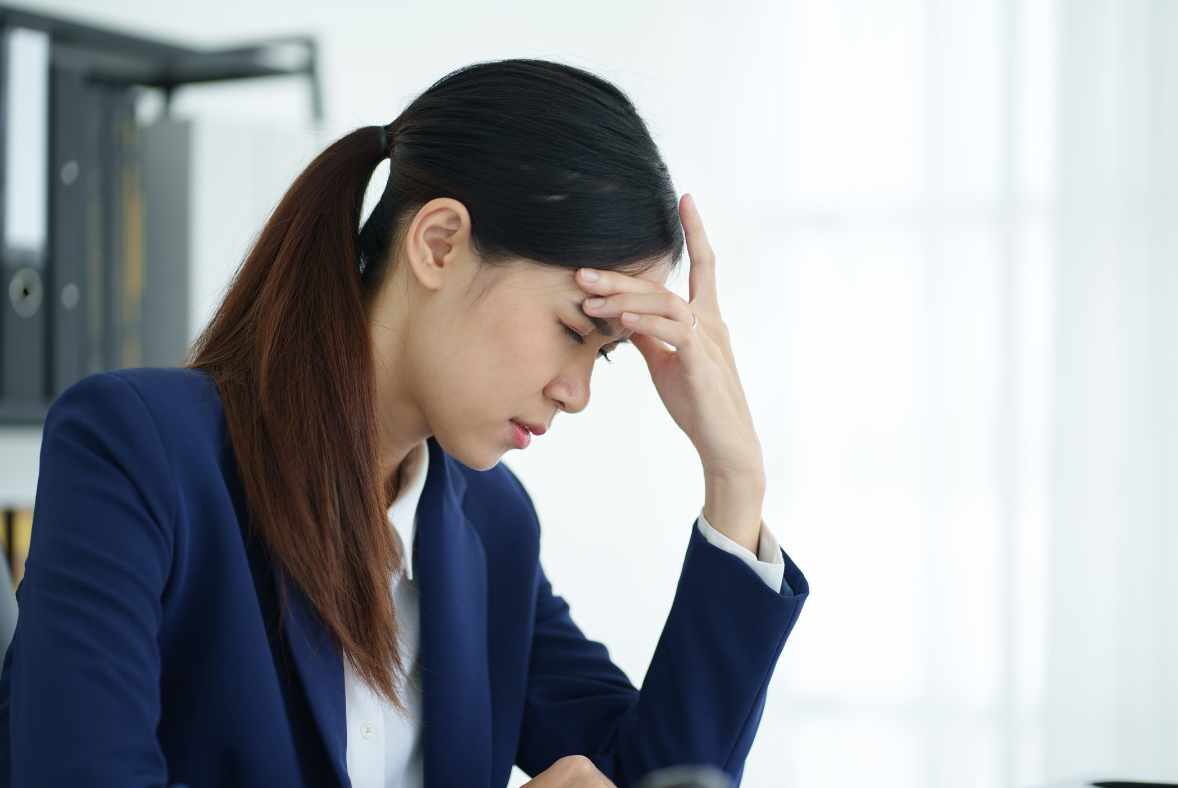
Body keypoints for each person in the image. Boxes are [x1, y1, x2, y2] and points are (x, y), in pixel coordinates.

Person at [0, 58, 808, 788]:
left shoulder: (489, 527)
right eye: (573, 331)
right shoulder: (139, 451)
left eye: (602, 357)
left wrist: (734, 479)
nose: (576, 395)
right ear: (439, 243)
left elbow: (652, 778)